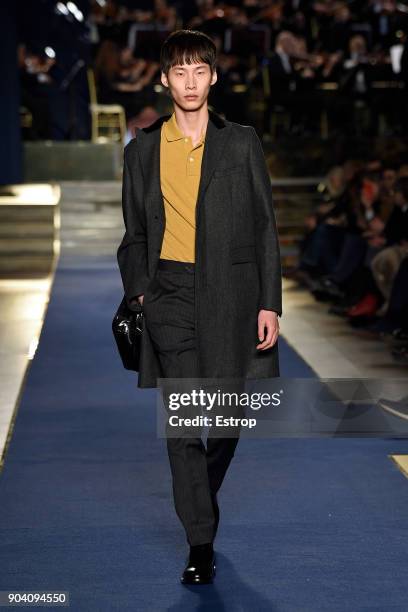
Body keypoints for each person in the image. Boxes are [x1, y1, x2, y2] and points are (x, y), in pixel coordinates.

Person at [117, 29, 282, 585]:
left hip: (234, 298)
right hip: (171, 297)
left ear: (213, 77)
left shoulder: (241, 142)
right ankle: (200, 542)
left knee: (229, 419)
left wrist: (270, 302)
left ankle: (199, 497)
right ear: (164, 79)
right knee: (185, 424)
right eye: (179, 72)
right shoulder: (142, 148)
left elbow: (264, 226)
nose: (189, 82)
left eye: (199, 71)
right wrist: (142, 290)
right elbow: (134, 234)